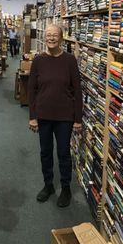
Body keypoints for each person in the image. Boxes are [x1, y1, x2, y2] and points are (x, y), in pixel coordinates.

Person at [28, 25, 82, 208]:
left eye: (55, 35)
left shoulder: (69, 61)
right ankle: (49, 185)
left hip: (65, 116)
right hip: (43, 115)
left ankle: (66, 188)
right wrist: (32, 116)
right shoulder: (38, 61)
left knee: (63, 153)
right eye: (48, 35)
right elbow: (31, 90)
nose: (51, 38)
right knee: (45, 152)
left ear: (61, 38)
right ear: (45, 37)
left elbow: (78, 90)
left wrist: (78, 119)